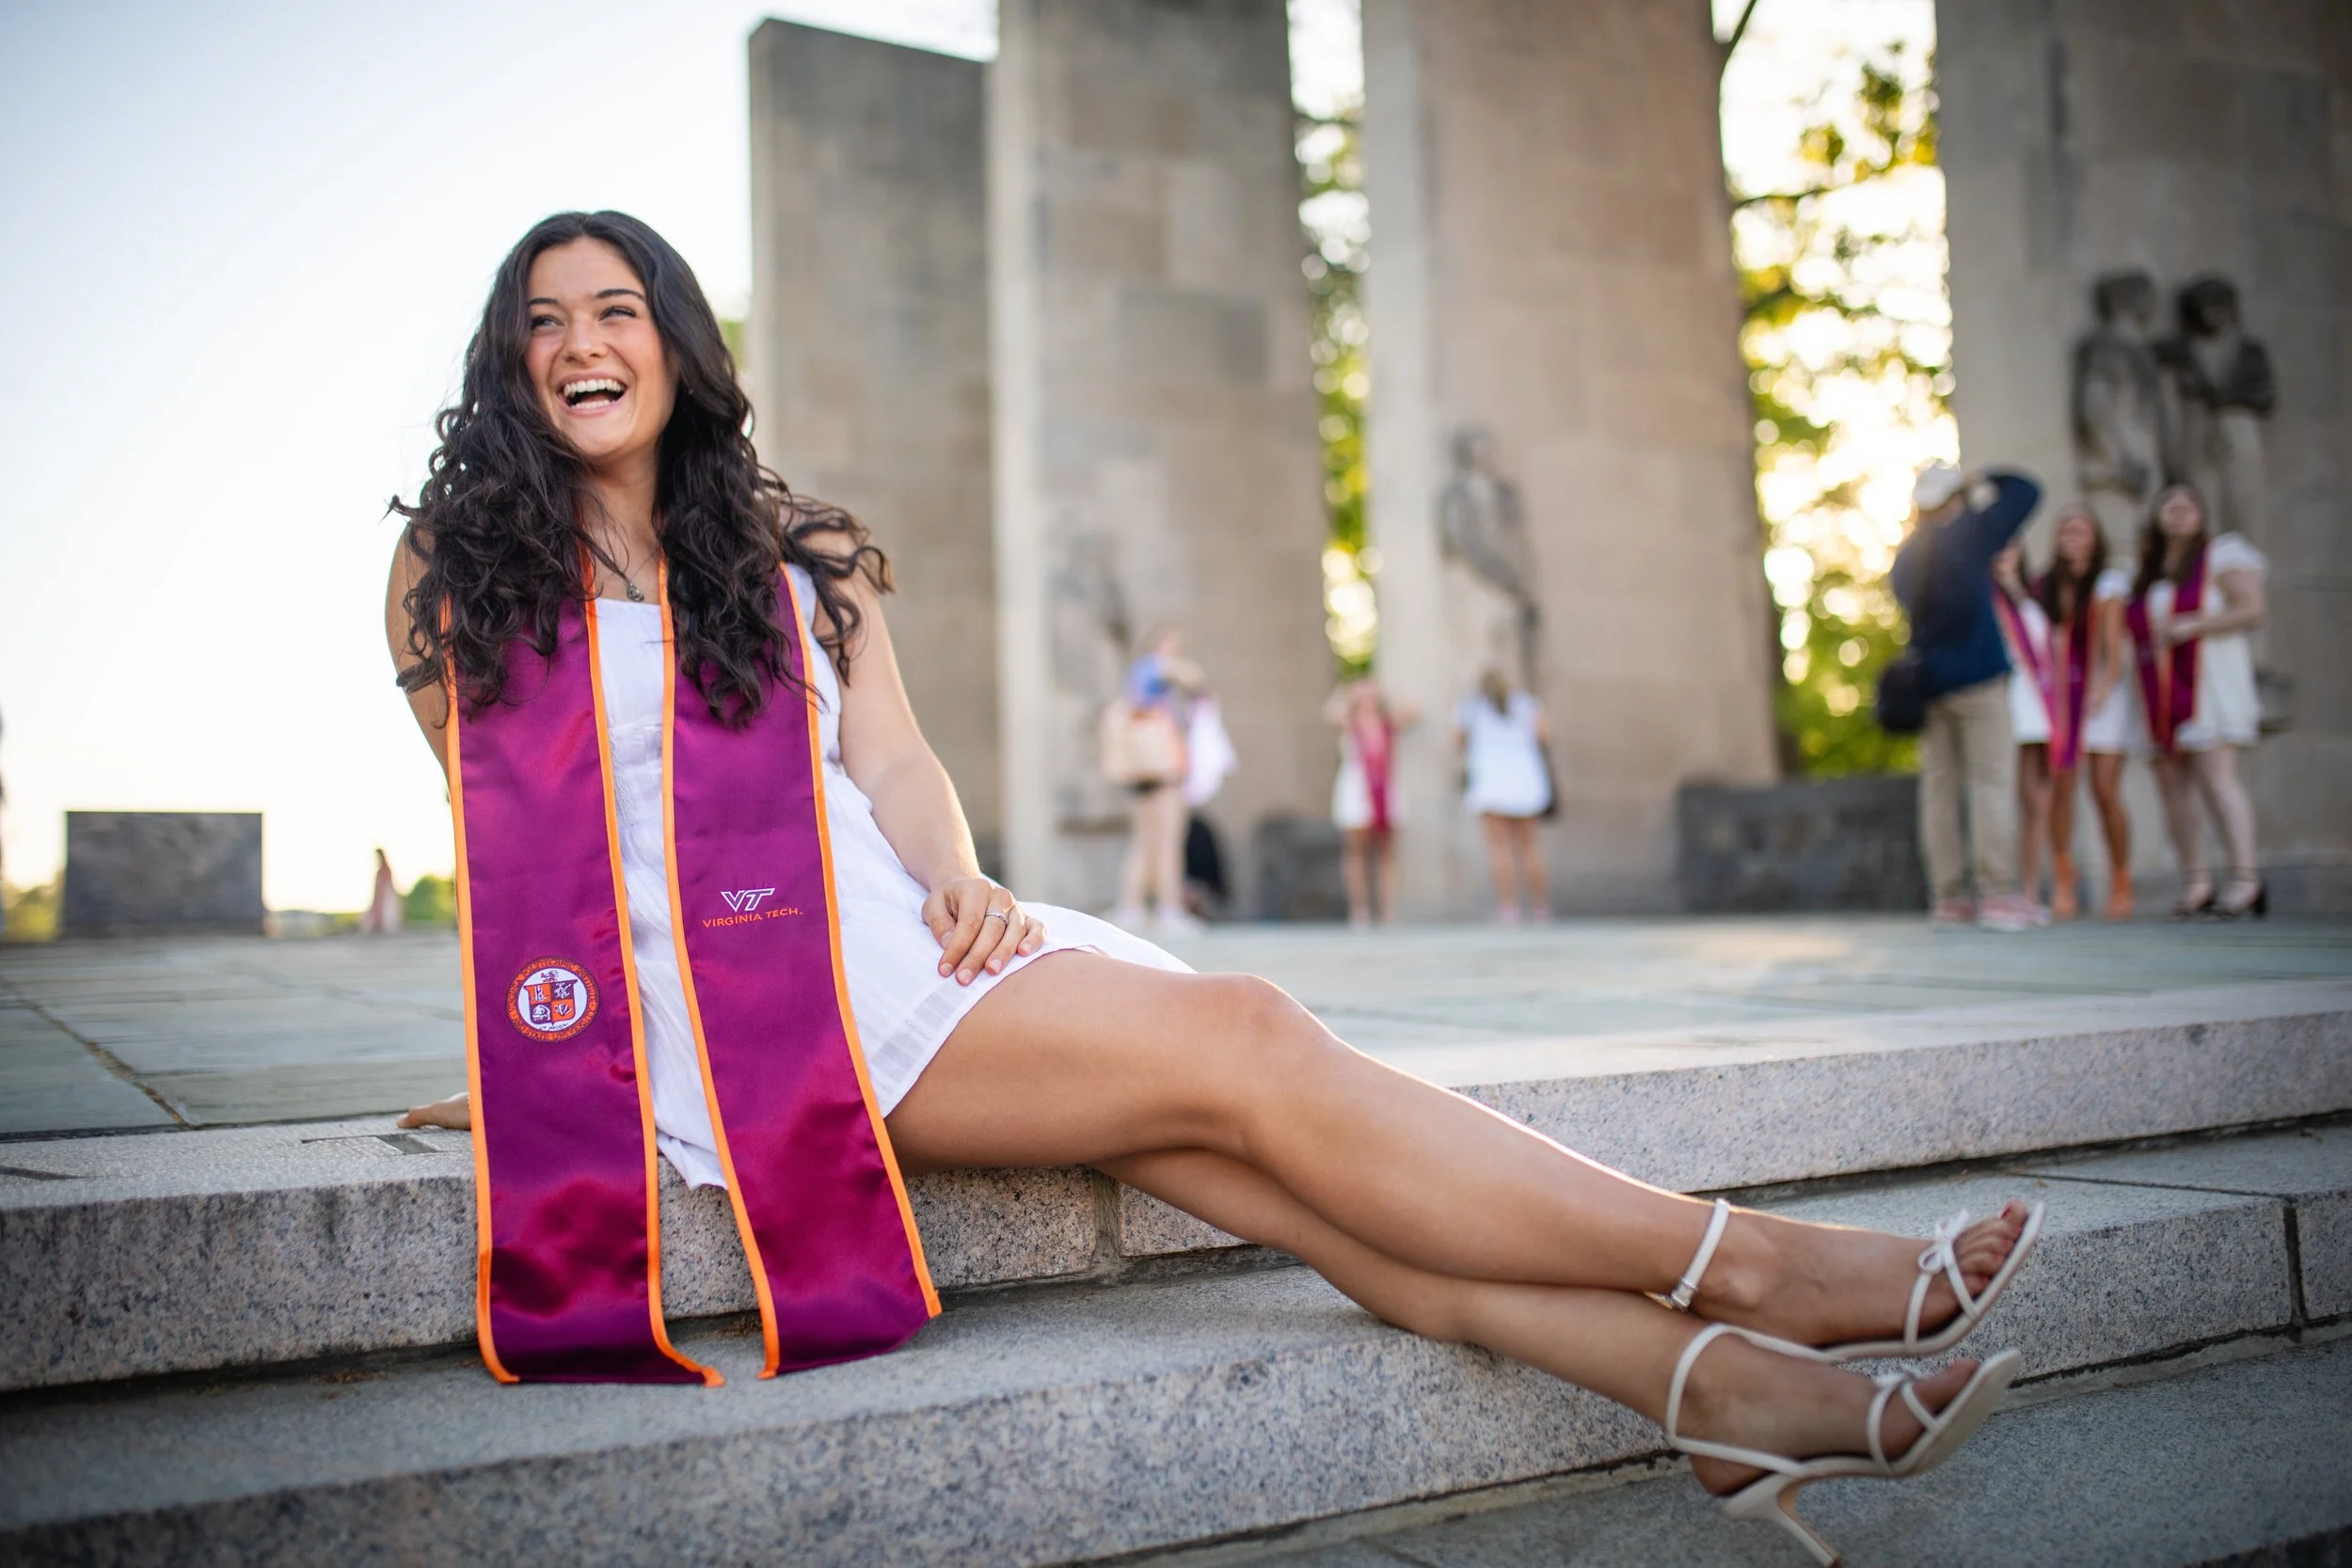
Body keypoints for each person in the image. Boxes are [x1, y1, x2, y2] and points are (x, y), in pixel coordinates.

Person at [388, 213, 2041, 1563]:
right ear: (509, 359)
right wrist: (536, 1058)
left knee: (1299, 1188)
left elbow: (887, 758)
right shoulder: (460, 574)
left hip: (902, 927)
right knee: (1252, 1036)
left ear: (677, 340)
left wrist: (956, 866)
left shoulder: (793, 550)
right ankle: (1748, 1266)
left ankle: (1723, 1392)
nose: (583, 344)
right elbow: (506, 836)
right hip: (746, 999)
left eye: (617, 309)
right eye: (545, 320)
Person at [1889, 463, 2043, 932]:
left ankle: (1949, 897)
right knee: (1990, 782)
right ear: (1953, 499)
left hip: (1930, 685)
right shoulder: (1969, 536)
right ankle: (1997, 894)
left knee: (1939, 791)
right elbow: (2026, 491)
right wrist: (1980, 477)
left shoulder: (1907, 556)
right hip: (1979, 678)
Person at [2127, 483, 2268, 919]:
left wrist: (2193, 626)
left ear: (2201, 513)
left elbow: (2252, 609)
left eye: (2187, 505)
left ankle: (2245, 878)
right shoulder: (2148, 571)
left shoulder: (2222, 555)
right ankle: (2197, 881)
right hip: (2159, 693)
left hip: (2208, 685)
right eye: (2169, 504)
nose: (2178, 512)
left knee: (2217, 777)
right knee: (2173, 788)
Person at [2038, 507, 2135, 921]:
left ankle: (2120, 878)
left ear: (2095, 538)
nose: (2073, 535)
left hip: (2099, 695)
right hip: (2060, 695)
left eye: (2081, 528)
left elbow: (2114, 647)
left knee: (2104, 788)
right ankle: (2064, 876)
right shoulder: (2046, 586)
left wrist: (2104, 686)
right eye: (2066, 528)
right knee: (2062, 786)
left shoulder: (2108, 584)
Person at [1109, 628, 1205, 936]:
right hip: (1163, 770)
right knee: (1167, 840)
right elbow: (1195, 679)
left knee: (1144, 841)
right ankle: (1169, 908)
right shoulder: (1156, 670)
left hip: (1143, 770)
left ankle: (1132, 906)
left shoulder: (1139, 676)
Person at [1989, 546, 2056, 925]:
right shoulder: (1983, 596)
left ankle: (2030, 890)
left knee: (2036, 800)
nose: (2005, 551)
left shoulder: (2035, 596)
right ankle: (1999, 888)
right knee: (1999, 798)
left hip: (2036, 705)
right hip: (2001, 704)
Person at [1454, 670, 1552, 924]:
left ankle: (1509, 908)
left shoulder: (1471, 707)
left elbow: (1459, 740)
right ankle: (1541, 908)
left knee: (1499, 849)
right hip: (1525, 779)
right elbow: (1543, 736)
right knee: (1529, 847)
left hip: (1491, 781)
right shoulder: (1527, 704)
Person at [1324, 676, 1417, 928]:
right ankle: (1360, 911)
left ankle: (1387, 912)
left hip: (1386, 790)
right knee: (1356, 853)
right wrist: (1347, 694)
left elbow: (1414, 710)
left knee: (1387, 854)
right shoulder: (1348, 722)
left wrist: (1387, 695)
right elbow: (1330, 711)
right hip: (1356, 791)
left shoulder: (1388, 722)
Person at [359, 848, 405, 935]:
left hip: (386, 897)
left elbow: (388, 885)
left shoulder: (386, 870)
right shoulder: (380, 871)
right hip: (381, 897)